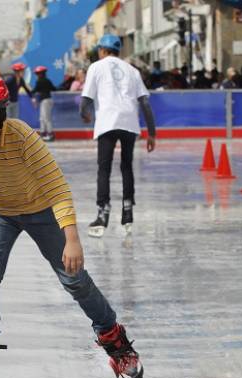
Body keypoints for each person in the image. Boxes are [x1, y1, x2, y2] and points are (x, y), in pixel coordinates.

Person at [0, 73, 144, 378]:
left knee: (74, 279)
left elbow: (56, 186)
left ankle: (115, 340)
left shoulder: (21, 136)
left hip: (41, 210)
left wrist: (72, 238)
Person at [80, 34, 157, 238]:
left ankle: (103, 212)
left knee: (104, 168)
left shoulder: (96, 67)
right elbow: (145, 103)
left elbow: (86, 98)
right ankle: (128, 210)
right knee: (126, 166)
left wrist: (83, 114)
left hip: (107, 121)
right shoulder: (132, 70)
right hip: (129, 122)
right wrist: (152, 133)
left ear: (103, 50)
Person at [31, 65, 56, 141]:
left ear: (42, 73)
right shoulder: (47, 80)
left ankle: (50, 134)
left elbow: (35, 90)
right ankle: (43, 133)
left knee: (45, 118)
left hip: (45, 101)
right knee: (42, 118)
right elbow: (54, 88)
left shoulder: (40, 81)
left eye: (38, 73)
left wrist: (29, 92)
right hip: (46, 100)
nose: (37, 75)